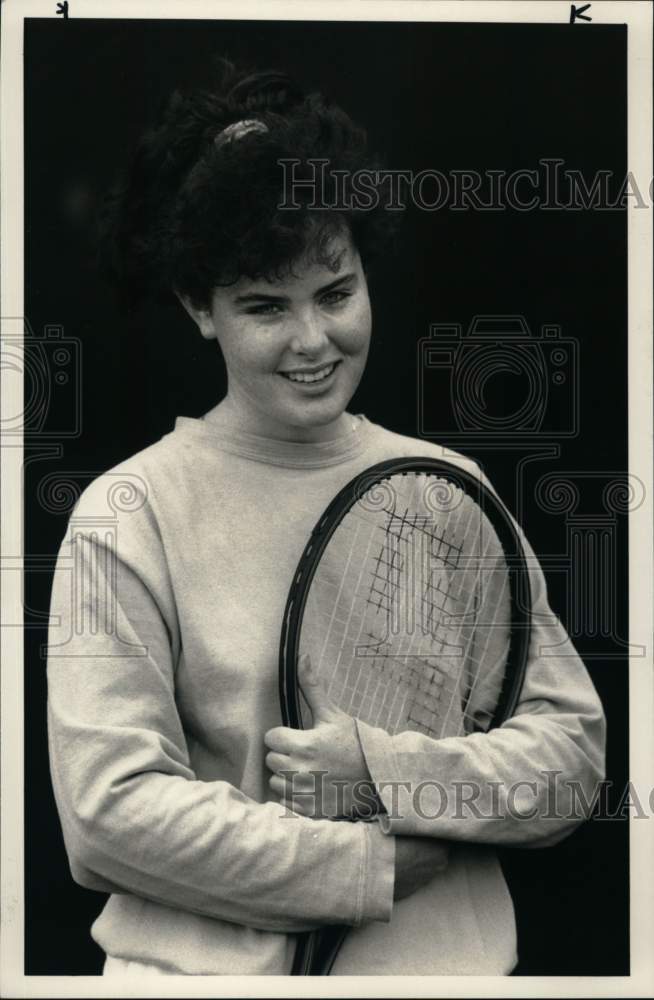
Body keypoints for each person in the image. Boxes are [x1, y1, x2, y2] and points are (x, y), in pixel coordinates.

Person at [46, 60, 606, 977]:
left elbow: (571, 763)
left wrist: (383, 770)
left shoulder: (448, 489)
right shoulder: (127, 513)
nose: (313, 340)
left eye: (336, 292)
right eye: (265, 306)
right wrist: (362, 868)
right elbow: (108, 816)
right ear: (199, 308)